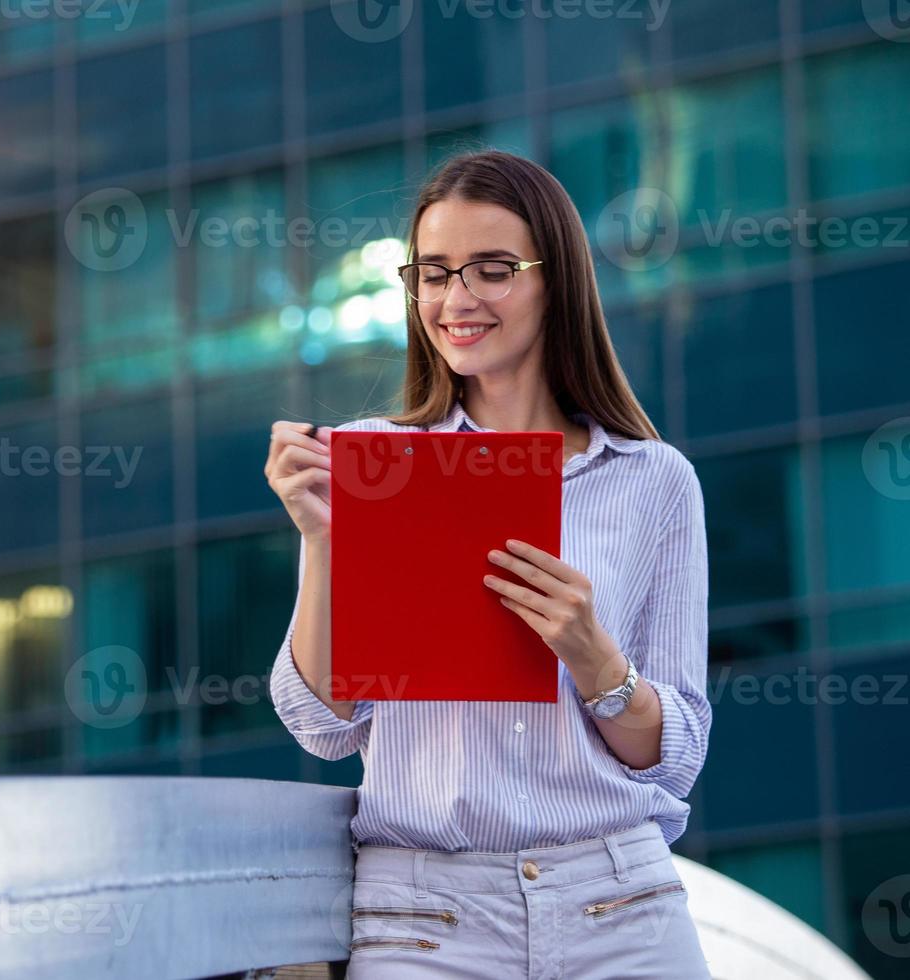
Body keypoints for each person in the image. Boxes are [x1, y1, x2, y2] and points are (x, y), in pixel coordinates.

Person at [264, 150, 713, 978]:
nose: (457, 300)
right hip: (425, 921)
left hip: (619, 908)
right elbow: (324, 726)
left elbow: (676, 754)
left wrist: (595, 659)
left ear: (557, 282)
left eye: (493, 270)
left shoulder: (653, 480)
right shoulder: (375, 464)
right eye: (433, 274)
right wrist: (327, 540)